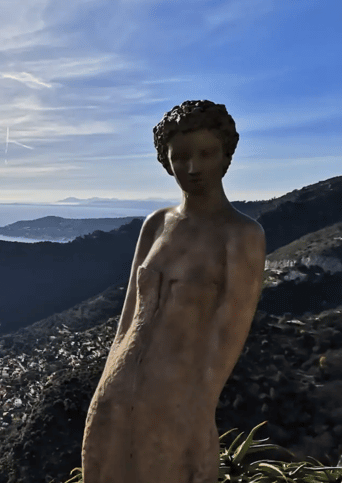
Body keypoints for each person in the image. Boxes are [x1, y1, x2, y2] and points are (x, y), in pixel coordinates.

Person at [80, 100, 266, 483]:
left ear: (226, 155)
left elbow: (227, 338)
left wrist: (198, 413)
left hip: (177, 403)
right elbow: (127, 317)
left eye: (206, 153)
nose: (193, 168)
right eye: (180, 157)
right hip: (116, 391)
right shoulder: (156, 223)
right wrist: (103, 391)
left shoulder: (241, 236)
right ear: (166, 162)